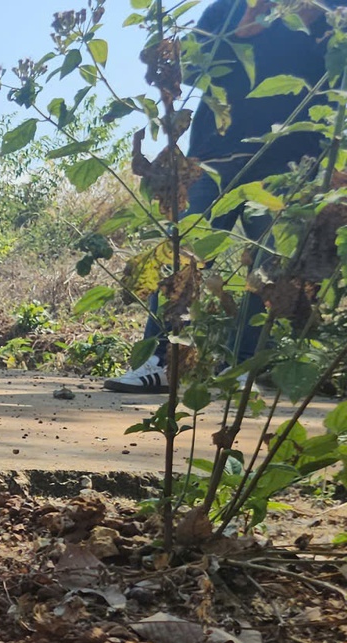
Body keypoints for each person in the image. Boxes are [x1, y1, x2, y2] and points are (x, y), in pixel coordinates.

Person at [107, 0, 344, 392]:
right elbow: (190, 69)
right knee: (183, 252)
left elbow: (339, 84)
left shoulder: (333, 9)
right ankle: (163, 361)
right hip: (213, 157)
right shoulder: (230, 7)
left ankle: (242, 369)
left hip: (290, 164)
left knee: (268, 271)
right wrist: (240, 33)